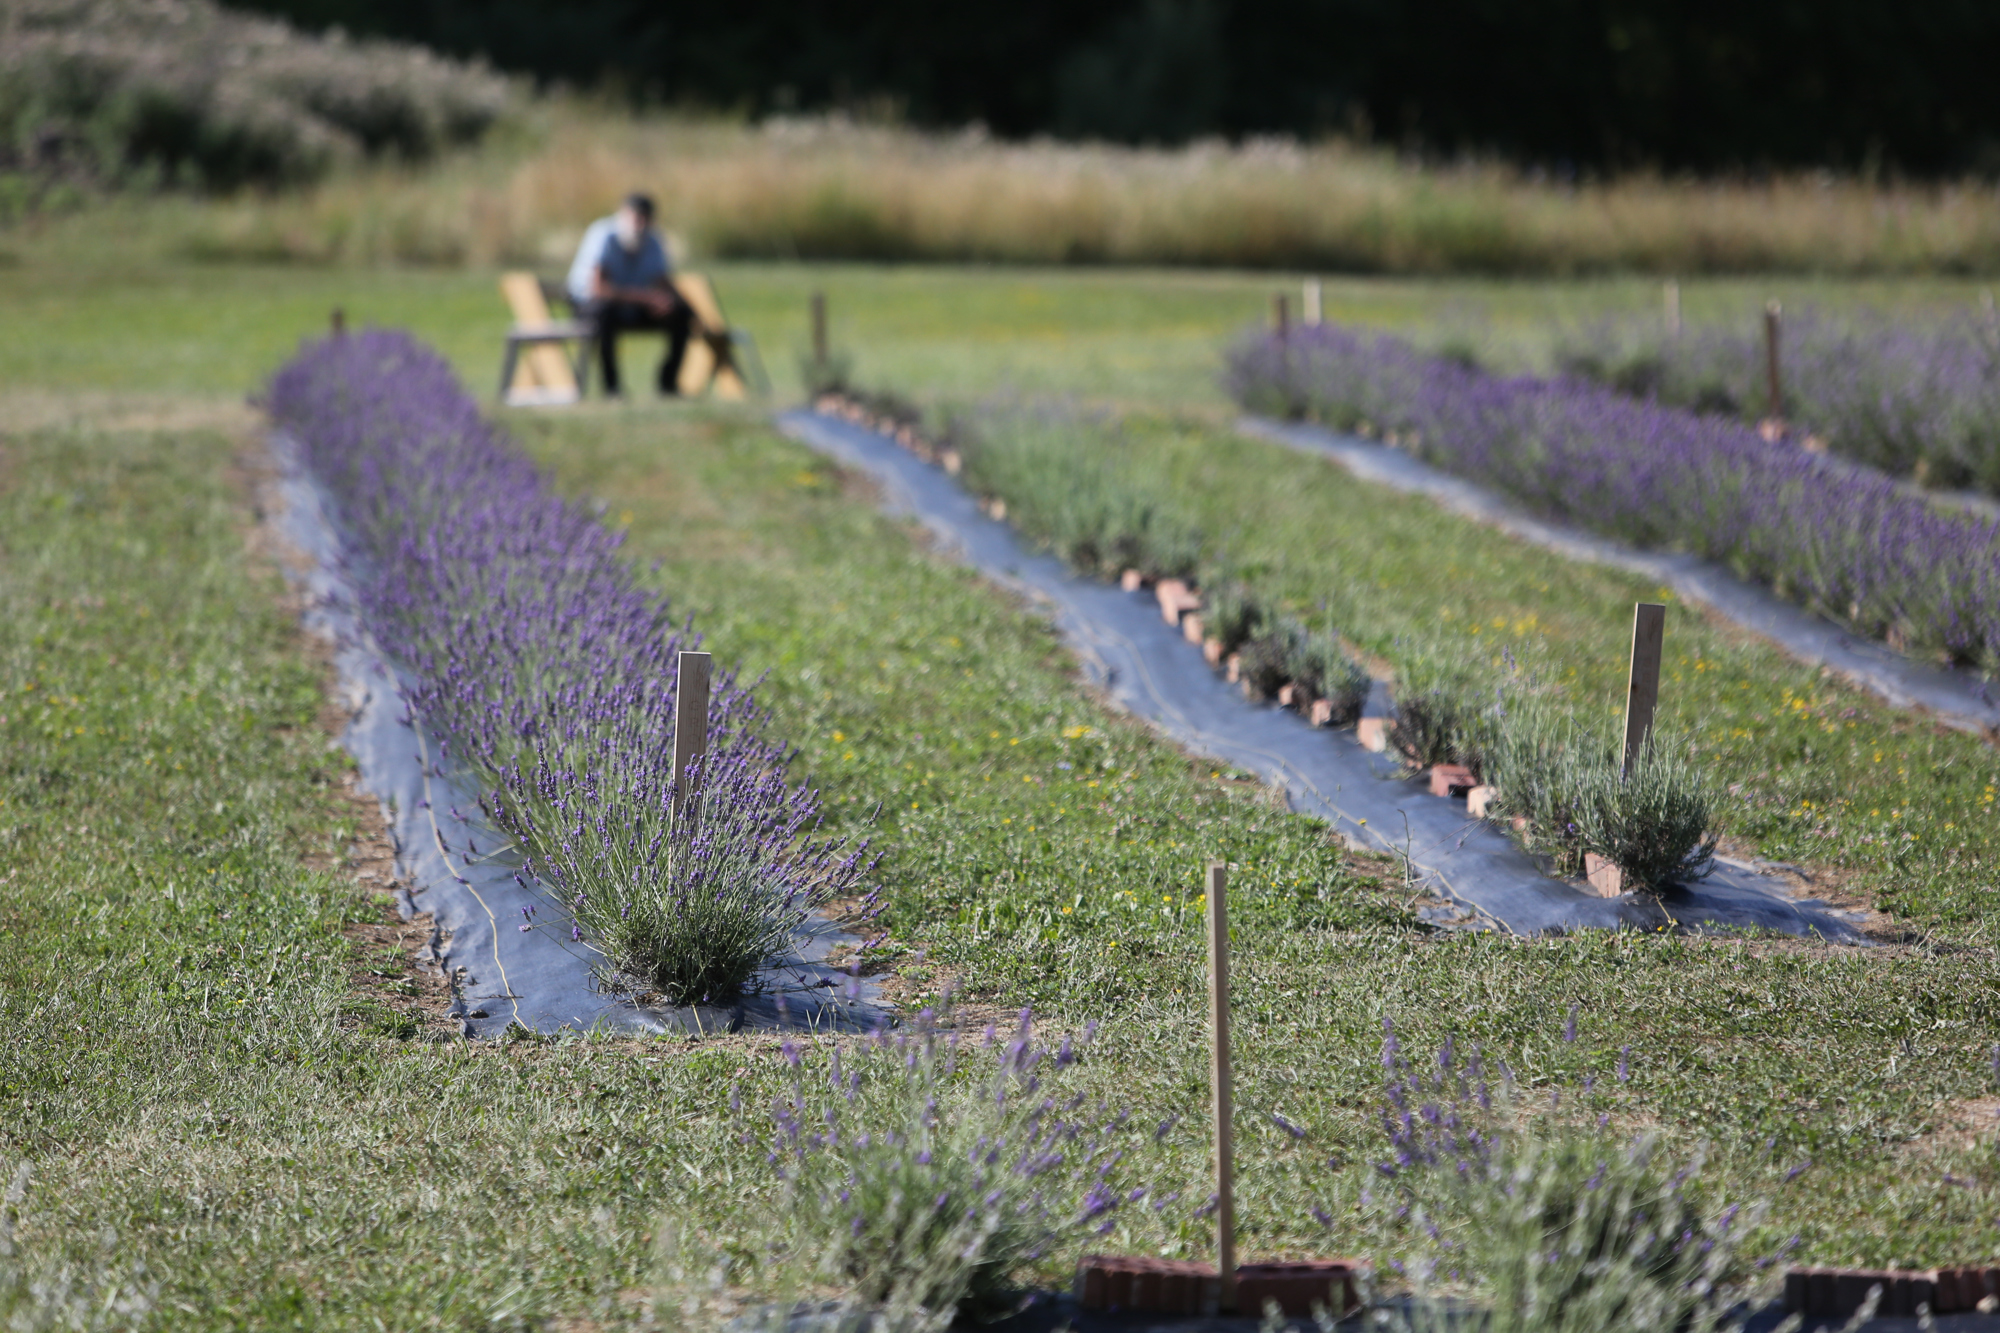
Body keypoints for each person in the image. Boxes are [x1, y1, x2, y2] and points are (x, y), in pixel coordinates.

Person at [565, 193, 694, 396]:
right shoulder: (603, 234)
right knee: (604, 312)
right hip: (589, 306)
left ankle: (668, 385)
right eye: (636, 217)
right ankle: (612, 388)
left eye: (645, 218)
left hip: (631, 306)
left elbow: (662, 281)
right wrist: (648, 298)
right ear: (623, 215)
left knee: (683, 313)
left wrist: (671, 302)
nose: (640, 224)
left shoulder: (653, 240)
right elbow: (600, 289)